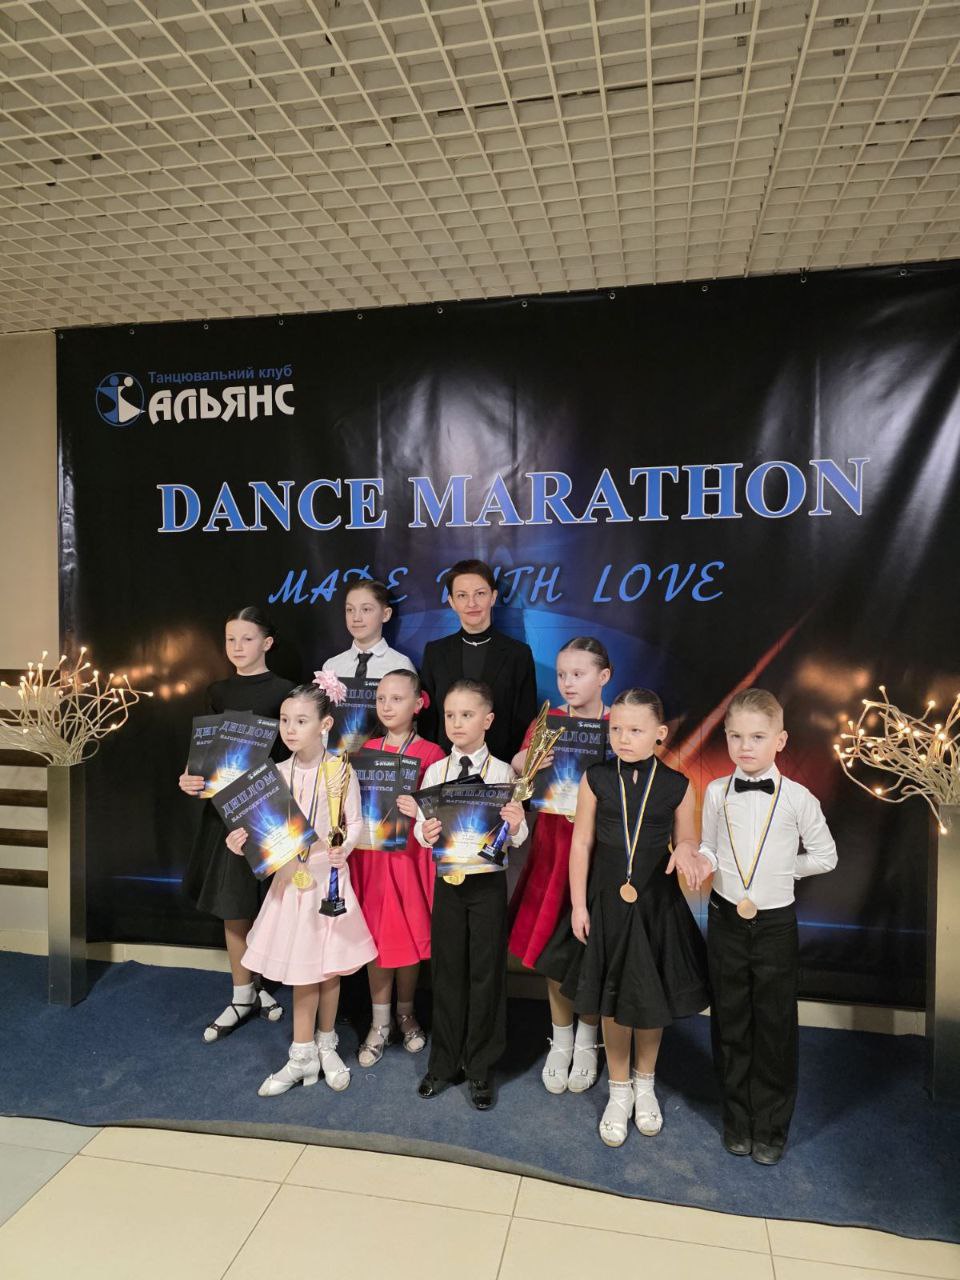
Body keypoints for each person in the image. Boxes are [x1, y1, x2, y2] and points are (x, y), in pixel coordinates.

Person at [564, 688, 711, 1147]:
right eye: (616, 729)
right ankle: (619, 1089)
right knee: (612, 999)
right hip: (606, 902)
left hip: (655, 906)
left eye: (635, 730)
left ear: (660, 733)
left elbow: (687, 840)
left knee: (648, 1001)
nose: (623, 738)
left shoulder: (678, 785)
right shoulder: (595, 778)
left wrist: (688, 851)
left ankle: (645, 1085)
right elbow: (581, 843)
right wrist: (578, 904)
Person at [699, 687, 837, 1165]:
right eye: (735, 736)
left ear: (780, 740)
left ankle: (772, 1127)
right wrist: (700, 859)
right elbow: (710, 847)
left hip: (775, 925)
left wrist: (784, 870)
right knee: (730, 1019)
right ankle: (737, 1120)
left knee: (775, 1024)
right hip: (725, 920)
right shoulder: (716, 793)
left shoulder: (799, 799)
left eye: (757, 737)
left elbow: (826, 856)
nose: (745, 746)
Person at [225, 676, 377, 1096]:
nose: (290, 729)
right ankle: (301, 1054)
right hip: (291, 883)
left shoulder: (339, 770)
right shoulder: (274, 774)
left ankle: (326, 1046)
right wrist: (240, 841)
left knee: (328, 966)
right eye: (284, 720)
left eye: (301, 721)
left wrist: (343, 847)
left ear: (325, 725)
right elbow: (258, 829)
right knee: (304, 969)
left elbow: (355, 821)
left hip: (328, 880)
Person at [413, 679, 527, 1110]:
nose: (457, 723)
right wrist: (425, 833)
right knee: (446, 972)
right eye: (450, 715)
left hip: (487, 886)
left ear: (488, 720)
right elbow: (423, 830)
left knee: (485, 973)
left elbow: (518, 837)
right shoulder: (435, 772)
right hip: (448, 884)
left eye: (466, 715)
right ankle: (443, 1063)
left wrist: (516, 824)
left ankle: (480, 1066)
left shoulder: (503, 773)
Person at [181, 606, 293, 1042]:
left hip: (269, 812)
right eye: (231, 639)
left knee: (269, 904)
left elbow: (294, 753)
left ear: (267, 643)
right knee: (234, 904)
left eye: (247, 638)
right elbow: (202, 754)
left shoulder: (286, 691)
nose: (237, 647)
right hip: (224, 818)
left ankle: (259, 982)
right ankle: (242, 994)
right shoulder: (217, 691)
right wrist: (189, 778)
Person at [508, 637, 612, 1095]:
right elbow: (521, 780)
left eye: (579, 674)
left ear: (603, 677)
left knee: (590, 950)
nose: (568, 683)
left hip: (600, 853)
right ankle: (562, 1037)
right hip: (554, 849)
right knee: (554, 947)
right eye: (563, 675)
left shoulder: (618, 725)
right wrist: (522, 763)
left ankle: (589, 1040)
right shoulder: (545, 723)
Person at [351, 669, 445, 1067]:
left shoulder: (432, 753)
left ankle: (406, 1013)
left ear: (418, 703)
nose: (387, 706)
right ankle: (379, 1021)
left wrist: (418, 806)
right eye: (381, 699)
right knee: (377, 938)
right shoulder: (367, 749)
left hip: (409, 858)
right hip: (372, 857)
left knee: (406, 938)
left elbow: (441, 812)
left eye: (397, 698)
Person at [419, 559, 537, 763]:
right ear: (451, 602)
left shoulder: (518, 654)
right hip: (444, 769)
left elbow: (525, 720)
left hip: (501, 768)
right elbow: (428, 721)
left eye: (480, 594)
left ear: (493, 597)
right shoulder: (435, 653)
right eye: (462, 595)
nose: (471, 603)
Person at [321, 580, 415, 680]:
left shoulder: (400, 666)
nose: (356, 618)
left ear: (386, 614)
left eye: (366, 609)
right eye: (350, 609)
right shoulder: (332, 667)